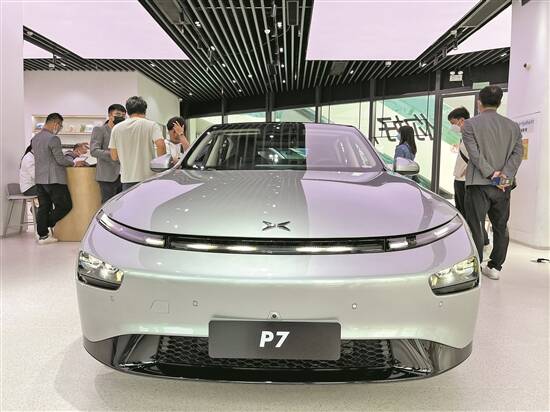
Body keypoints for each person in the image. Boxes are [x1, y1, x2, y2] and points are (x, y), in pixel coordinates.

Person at [462, 85, 523, 280]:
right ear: (499, 102)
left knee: (476, 225)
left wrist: (491, 175)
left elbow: (474, 155)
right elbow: (518, 154)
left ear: (479, 102)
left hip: (478, 184)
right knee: (500, 226)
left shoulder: (470, 125)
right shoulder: (513, 126)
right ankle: (495, 267)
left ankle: (476, 267)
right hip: (503, 186)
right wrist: (504, 176)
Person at [32, 113, 86, 244]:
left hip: (40, 179)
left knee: (44, 206)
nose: (60, 128)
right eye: (60, 125)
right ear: (55, 123)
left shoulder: (35, 138)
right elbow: (60, 160)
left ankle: (42, 235)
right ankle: (46, 224)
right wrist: (74, 163)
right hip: (54, 179)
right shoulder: (53, 138)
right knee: (65, 205)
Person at [448, 107, 490, 249]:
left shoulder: (471, 135)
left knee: (467, 213)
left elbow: (478, 156)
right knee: (465, 211)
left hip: (465, 181)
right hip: (461, 180)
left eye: (453, 123)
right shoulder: (467, 134)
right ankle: (480, 240)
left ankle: (476, 242)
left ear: (461, 120)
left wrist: (468, 170)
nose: (452, 126)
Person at [109, 96, 166, 191]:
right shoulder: (151, 125)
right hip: (149, 177)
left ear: (127, 111)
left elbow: (114, 156)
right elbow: (161, 146)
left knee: (130, 201)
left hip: (127, 178)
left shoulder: (116, 128)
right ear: (145, 111)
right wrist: (161, 168)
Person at [90, 104, 126, 203]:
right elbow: (94, 150)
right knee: (107, 205)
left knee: (122, 204)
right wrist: (114, 154)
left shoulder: (123, 132)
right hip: (107, 176)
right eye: (118, 114)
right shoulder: (100, 130)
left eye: (123, 115)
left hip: (123, 175)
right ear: (110, 115)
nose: (121, 117)